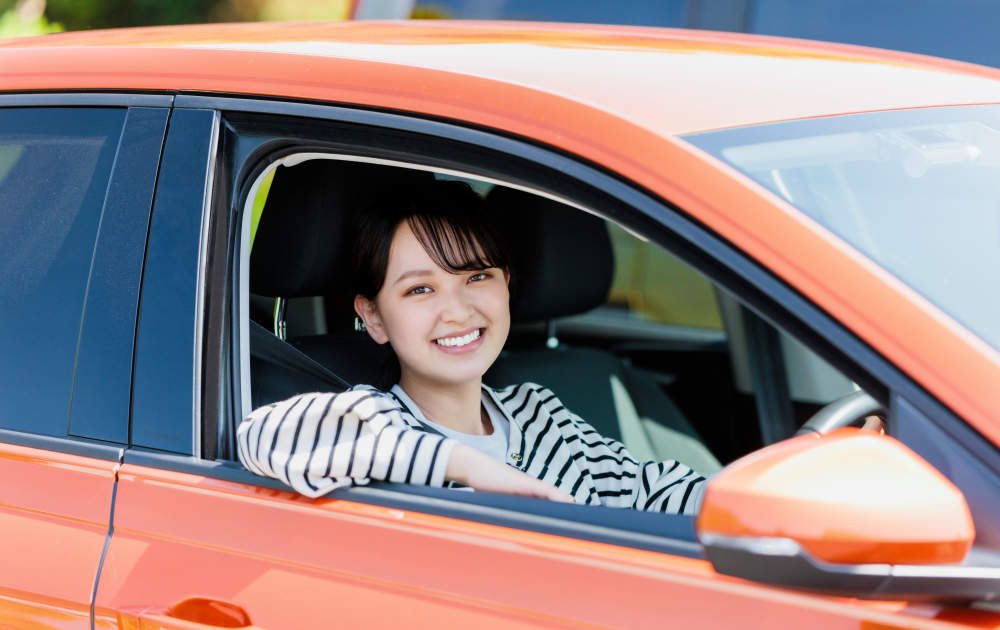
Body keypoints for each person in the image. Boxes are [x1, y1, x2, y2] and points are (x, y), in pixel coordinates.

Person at [238, 180, 708, 513]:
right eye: (420, 289)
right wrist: (468, 467)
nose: (458, 311)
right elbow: (262, 436)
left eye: (476, 276)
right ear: (373, 317)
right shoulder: (376, 426)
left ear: (507, 285)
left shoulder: (539, 413)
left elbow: (649, 489)